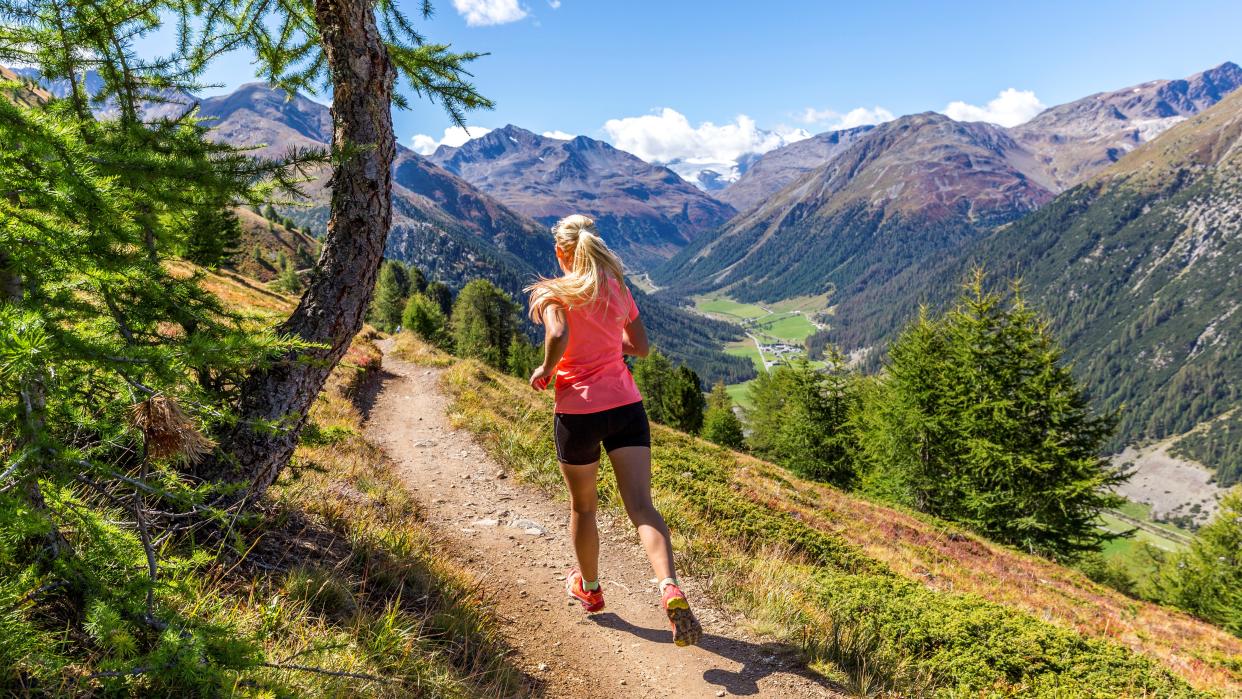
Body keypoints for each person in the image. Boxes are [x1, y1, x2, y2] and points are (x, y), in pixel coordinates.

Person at [525, 214, 702, 647]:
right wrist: (607, 345)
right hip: (626, 407)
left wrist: (547, 369)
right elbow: (640, 347)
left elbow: (560, 333)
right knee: (642, 506)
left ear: (561, 253)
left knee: (584, 509)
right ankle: (669, 587)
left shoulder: (552, 293)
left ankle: (590, 587)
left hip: (578, 413)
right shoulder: (617, 290)